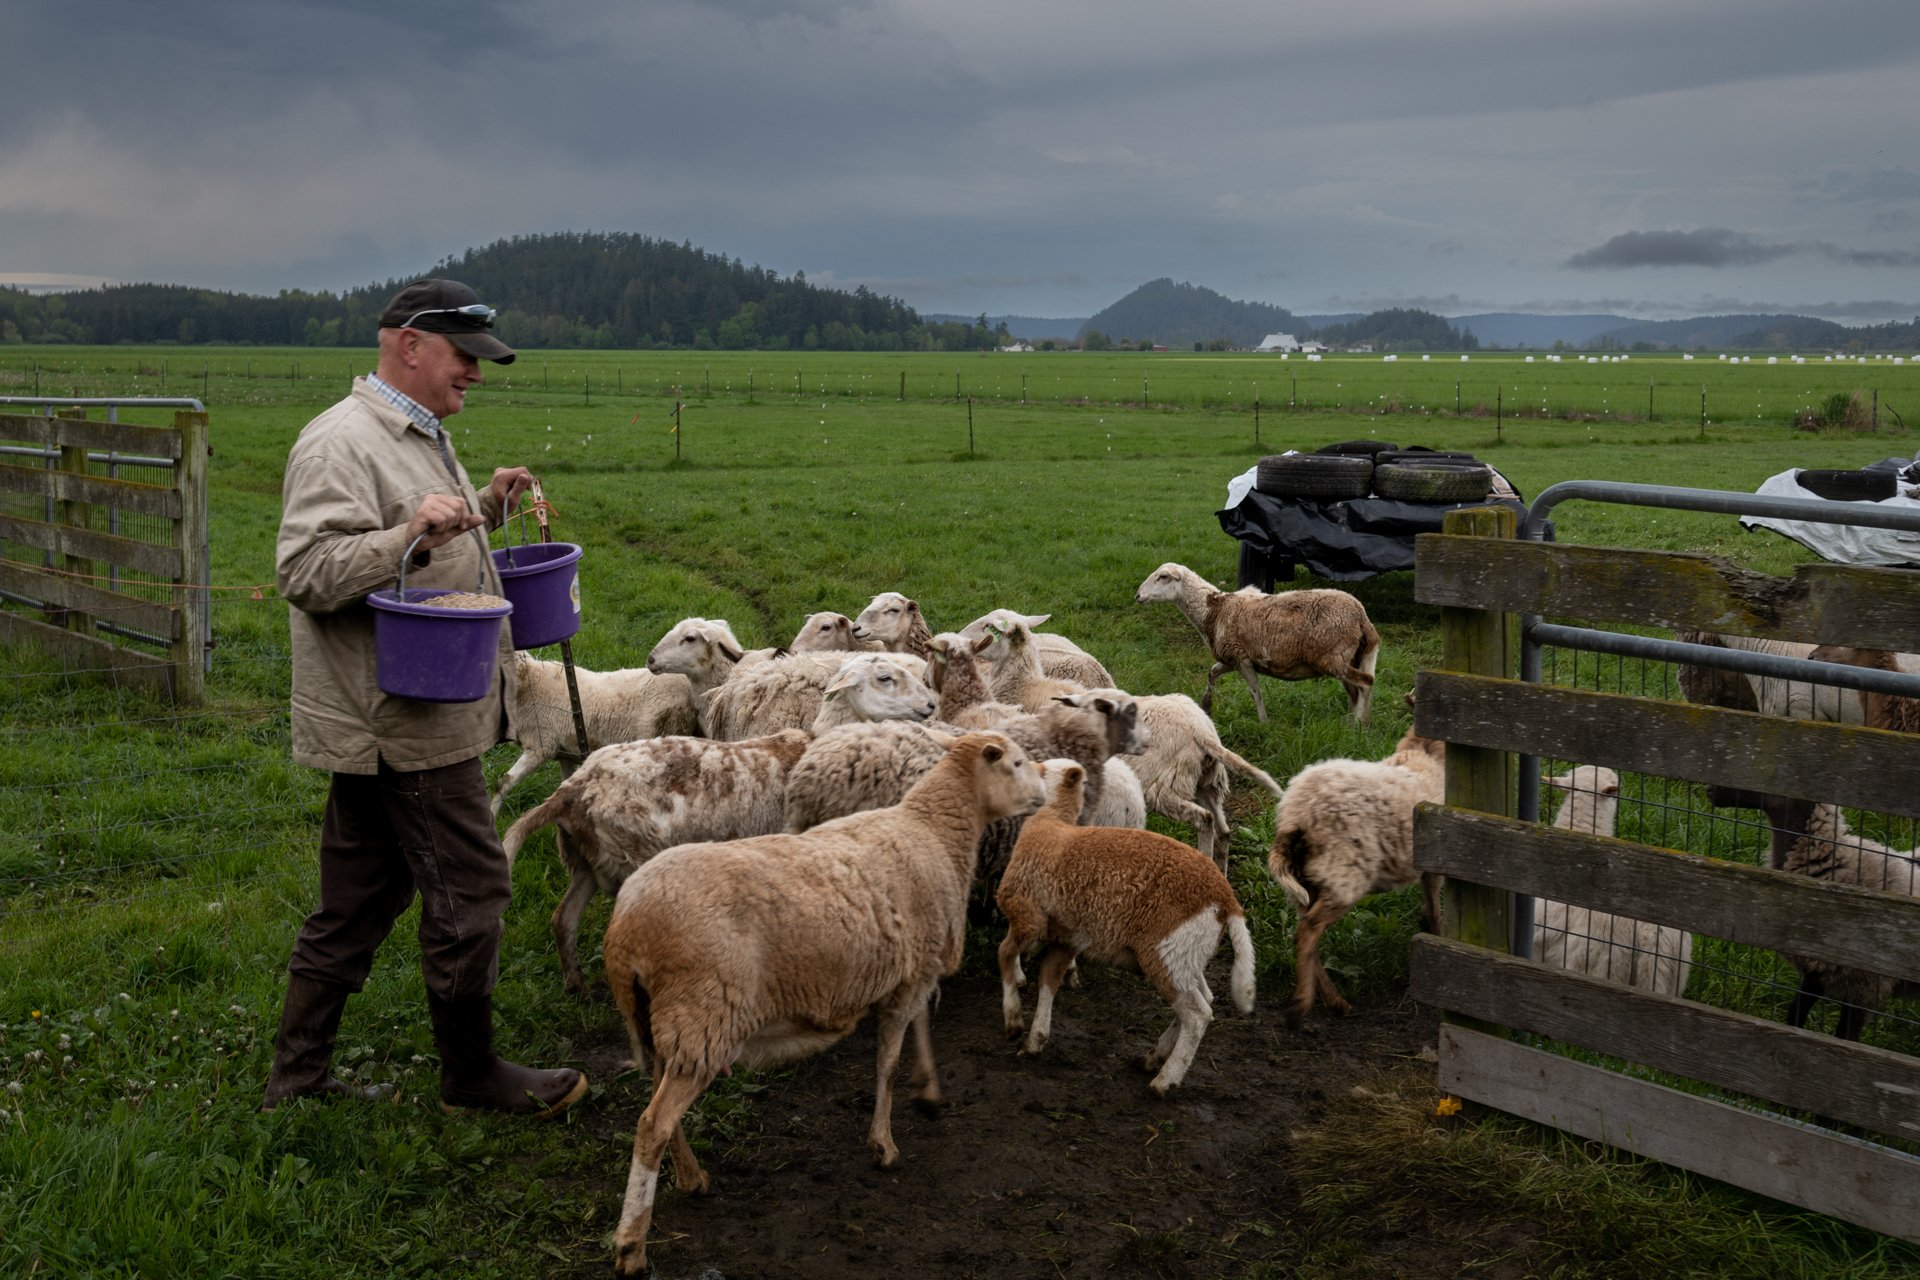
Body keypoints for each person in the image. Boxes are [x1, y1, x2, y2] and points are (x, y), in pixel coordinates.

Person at [262, 279, 587, 1117]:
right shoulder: (341, 444)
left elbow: (417, 544)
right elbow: (305, 573)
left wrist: (479, 509)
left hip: (403, 711)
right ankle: (471, 1078)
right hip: (402, 719)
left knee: (359, 897)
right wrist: (411, 532)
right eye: (464, 356)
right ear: (411, 346)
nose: (476, 373)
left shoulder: (416, 432)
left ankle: (295, 1081)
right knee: (473, 891)